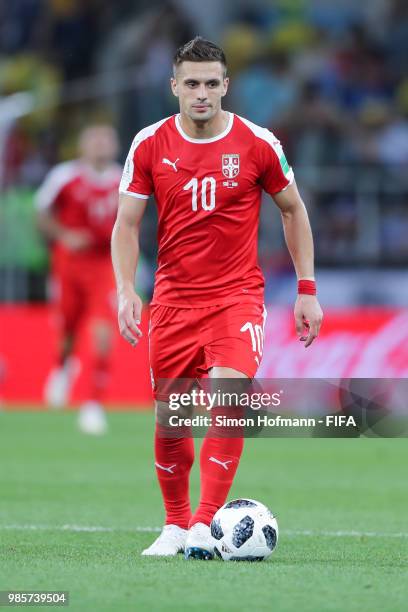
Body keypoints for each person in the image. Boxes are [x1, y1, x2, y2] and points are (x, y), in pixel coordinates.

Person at [111, 37, 323, 559]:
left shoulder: (257, 142)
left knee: (230, 402)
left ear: (226, 85)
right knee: (172, 418)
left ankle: (206, 525)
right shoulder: (149, 144)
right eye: (192, 83)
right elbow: (126, 223)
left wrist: (307, 290)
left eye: (211, 83)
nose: (201, 93)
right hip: (173, 303)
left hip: (237, 299)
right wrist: (123, 289)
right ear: (174, 87)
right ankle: (175, 525)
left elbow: (293, 211)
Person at [36, 125, 121, 435]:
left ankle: (93, 406)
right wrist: (64, 235)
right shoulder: (64, 176)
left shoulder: (122, 178)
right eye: (94, 139)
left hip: (104, 266)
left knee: (102, 334)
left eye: (106, 139)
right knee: (68, 328)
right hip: (69, 265)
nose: (101, 145)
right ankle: (62, 366)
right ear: (82, 145)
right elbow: (41, 213)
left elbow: (133, 218)